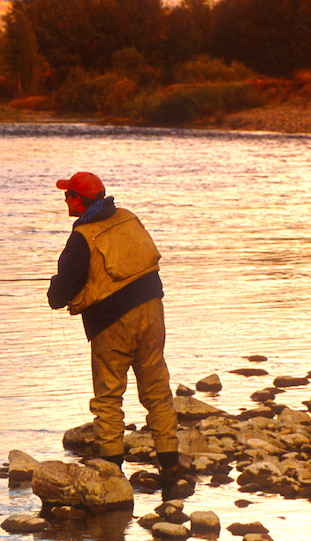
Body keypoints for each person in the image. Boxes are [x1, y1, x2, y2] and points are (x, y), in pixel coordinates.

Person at [46, 171, 185, 499]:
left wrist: (54, 290)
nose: (65, 200)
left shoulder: (82, 236)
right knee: (157, 392)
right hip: (153, 310)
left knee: (108, 399)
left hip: (113, 322)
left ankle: (113, 479)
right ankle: (172, 471)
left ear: (80, 200)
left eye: (68, 195)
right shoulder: (128, 218)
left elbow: (60, 293)